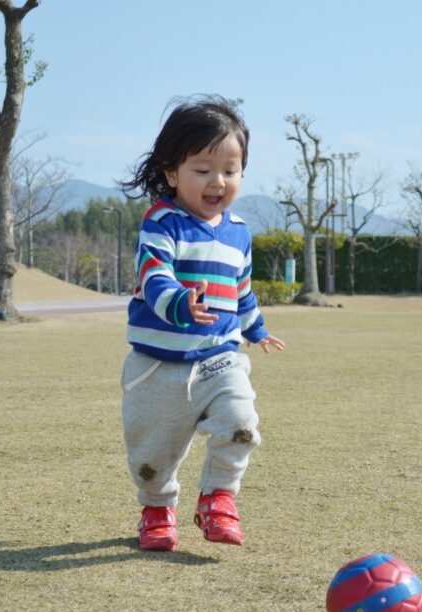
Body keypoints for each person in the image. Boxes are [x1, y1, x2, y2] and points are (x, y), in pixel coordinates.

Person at [119, 96, 285, 551]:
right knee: (153, 454)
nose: (218, 182)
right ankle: (156, 510)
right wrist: (180, 304)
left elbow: (241, 289)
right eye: (203, 169)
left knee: (241, 421)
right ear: (172, 172)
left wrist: (256, 328)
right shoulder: (162, 222)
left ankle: (218, 499)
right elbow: (155, 278)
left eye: (230, 170)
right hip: (157, 366)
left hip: (219, 358)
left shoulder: (239, 231)